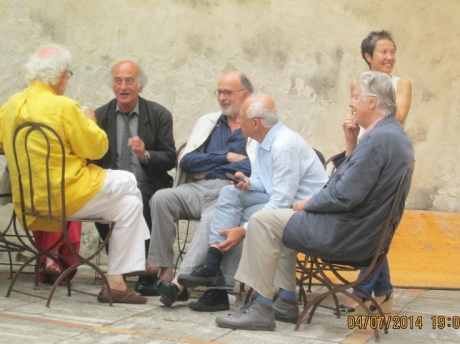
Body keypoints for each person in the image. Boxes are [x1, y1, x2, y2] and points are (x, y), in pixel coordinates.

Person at [215, 71, 414, 331]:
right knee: (279, 221)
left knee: (263, 221)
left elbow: (344, 194)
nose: (351, 103)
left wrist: (306, 204)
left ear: (373, 102)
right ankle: (285, 300)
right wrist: (351, 143)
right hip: (361, 231)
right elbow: (352, 182)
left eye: (356, 97)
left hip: (346, 234)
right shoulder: (392, 134)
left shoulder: (378, 139)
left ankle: (262, 307)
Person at [0, 44, 149, 304]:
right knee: (129, 181)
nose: (66, 81)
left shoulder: (11, 105)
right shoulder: (65, 107)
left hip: (30, 202)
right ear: (59, 76)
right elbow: (97, 147)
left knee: (129, 204)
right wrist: (89, 121)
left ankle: (116, 282)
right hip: (68, 197)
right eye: (68, 75)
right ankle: (129, 270)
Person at [173, 94, 328, 315]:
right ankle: (213, 261)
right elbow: (267, 184)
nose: (237, 122)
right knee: (230, 192)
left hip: (305, 212)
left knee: (246, 217)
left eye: (242, 117)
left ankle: (230, 284)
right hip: (286, 203)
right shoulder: (265, 141)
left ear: (255, 123)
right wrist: (249, 182)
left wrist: (243, 230)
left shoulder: (283, 145)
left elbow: (281, 200)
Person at [146, 72, 255, 302]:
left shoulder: (255, 124)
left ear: (245, 95)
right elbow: (186, 161)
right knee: (161, 198)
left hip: (229, 192)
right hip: (198, 188)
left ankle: (181, 283)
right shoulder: (209, 122)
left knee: (211, 220)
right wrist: (225, 157)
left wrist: (210, 164)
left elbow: (251, 166)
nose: (222, 97)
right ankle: (165, 267)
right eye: (219, 91)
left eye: (228, 92)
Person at [339, 30, 413, 314]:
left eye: (392, 51)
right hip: (361, 152)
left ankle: (362, 289)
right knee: (373, 223)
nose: (390, 57)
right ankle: (382, 289)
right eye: (383, 51)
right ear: (368, 56)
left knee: (375, 220)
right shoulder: (356, 83)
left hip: (385, 156)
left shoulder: (400, 83)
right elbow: (359, 117)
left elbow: (397, 116)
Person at [94, 60, 176, 296]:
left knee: (141, 195)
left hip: (147, 182)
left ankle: (145, 269)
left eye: (129, 80)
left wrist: (145, 154)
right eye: (118, 80)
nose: (123, 86)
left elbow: (170, 158)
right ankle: (124, 267)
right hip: (112, 183)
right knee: (101, 200)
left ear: (140, 85)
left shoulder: (159, 115)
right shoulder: (100, 117)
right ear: (112, 85)